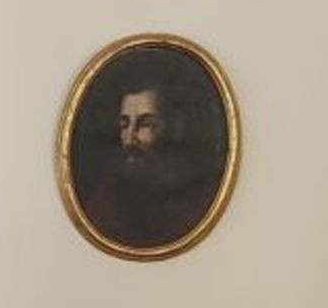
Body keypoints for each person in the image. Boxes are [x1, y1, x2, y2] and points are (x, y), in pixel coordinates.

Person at [80, 84, 222, 248]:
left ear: (171, 128)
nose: (130, 138)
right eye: (125, 124)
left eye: (145, 124)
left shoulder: (196, 196)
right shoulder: (106, 196)